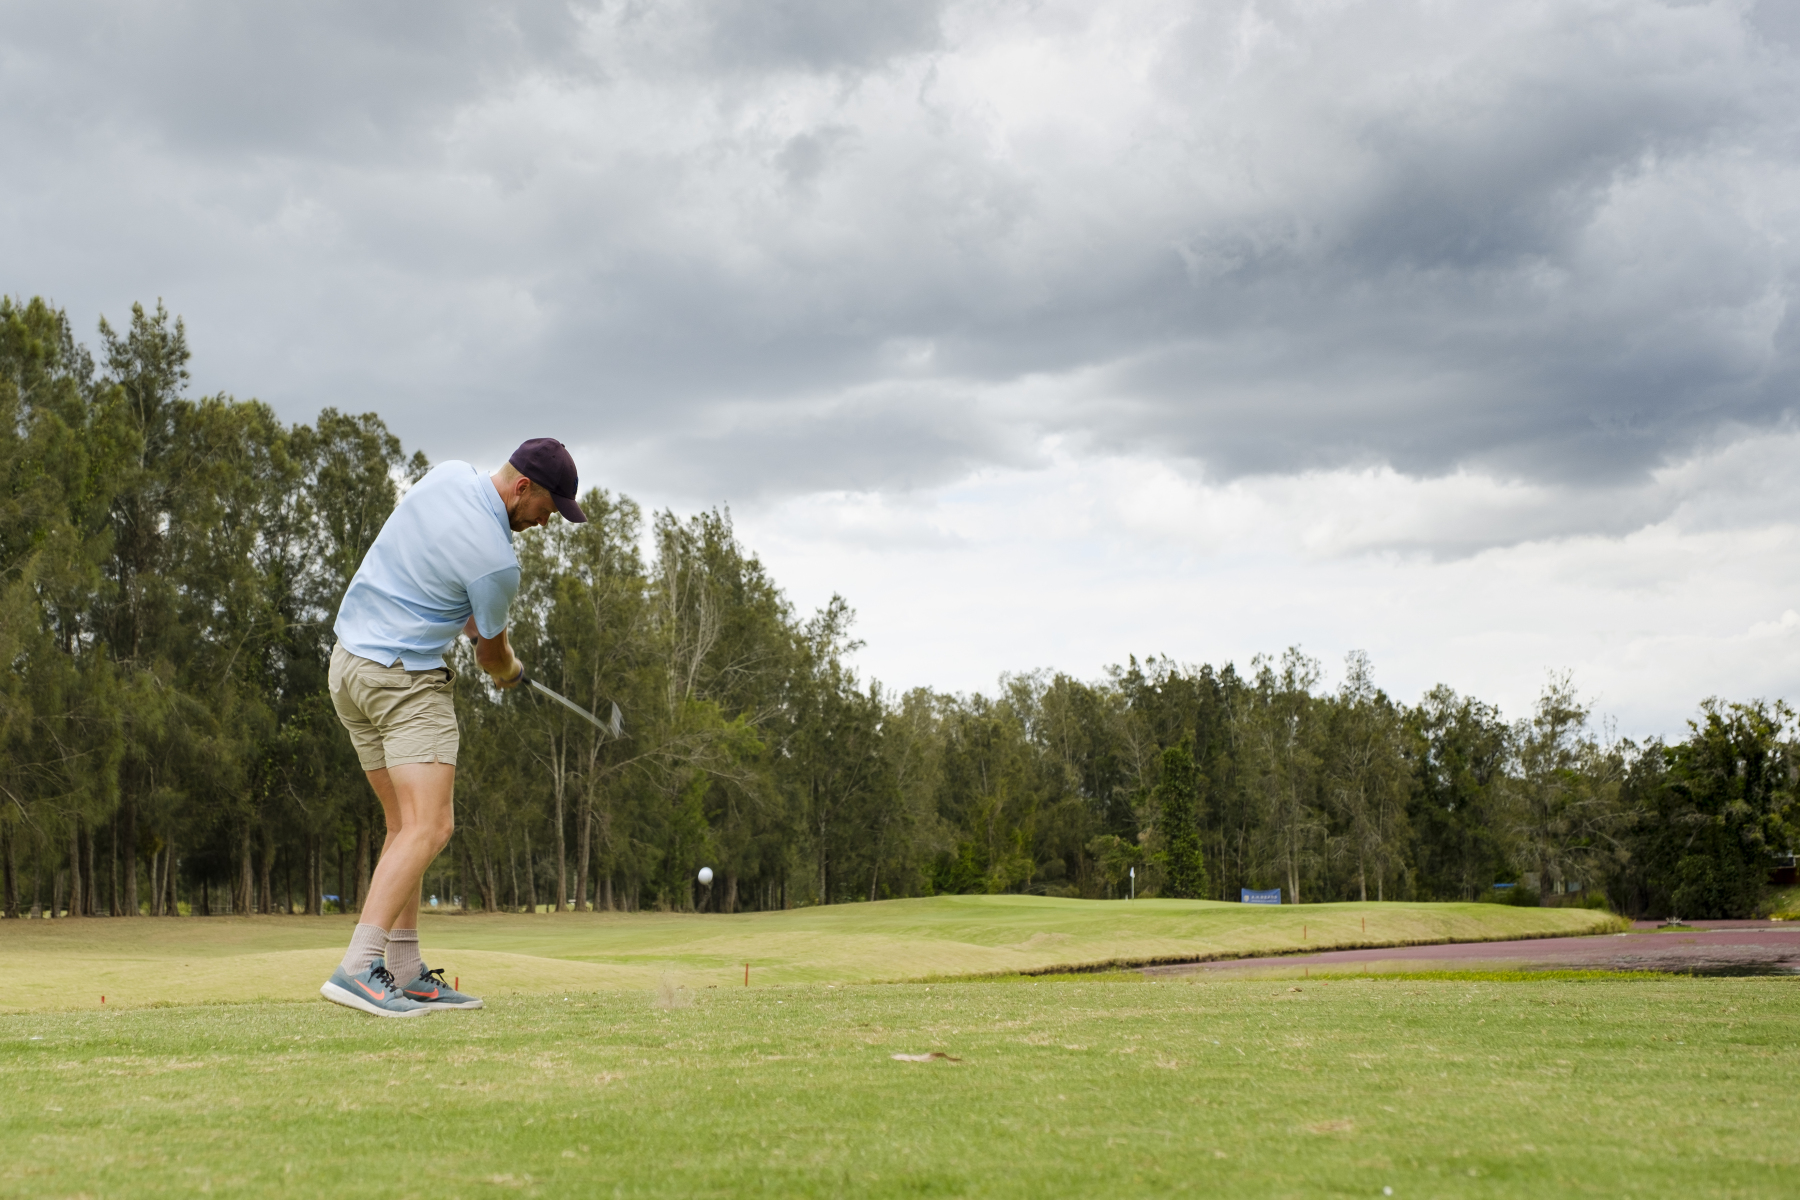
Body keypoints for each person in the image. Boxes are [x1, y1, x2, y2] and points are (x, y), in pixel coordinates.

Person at [319, 437, 587, 1017]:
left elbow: (439, 582)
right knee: (432, 825)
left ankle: (405, 969)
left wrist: (475, 627)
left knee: (403, 826)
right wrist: (510, 671)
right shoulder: (498, 562)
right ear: (523, 487)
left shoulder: (446, 476)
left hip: (348, 669)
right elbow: (491, 656)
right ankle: (359, 966)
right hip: (403, 681)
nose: (546, 523)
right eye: (548, 508)